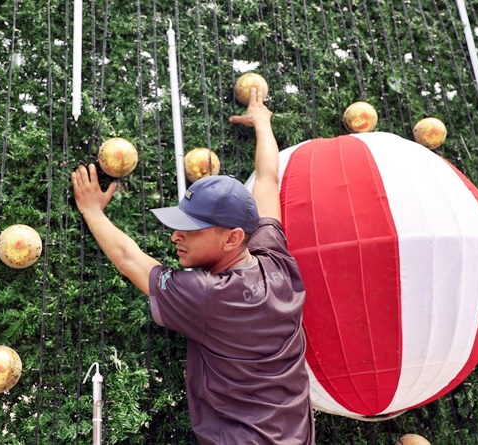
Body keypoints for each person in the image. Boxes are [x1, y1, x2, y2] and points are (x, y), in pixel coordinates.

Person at [71, 87, 314, 444]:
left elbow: (128, 259)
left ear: (232, 238)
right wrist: (262, 123)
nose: (175, 237)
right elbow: (267, 180)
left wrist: (91, 210)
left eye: (190, 229)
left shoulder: (208, 295)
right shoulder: (274, 260)